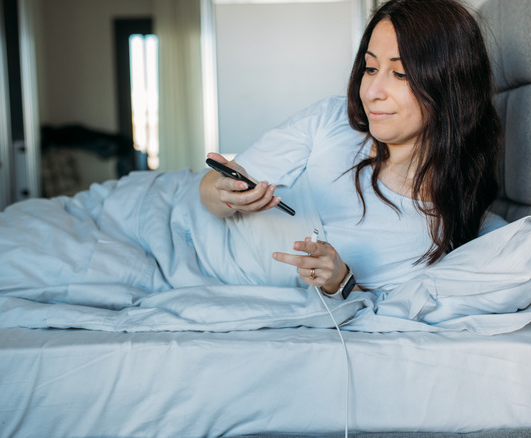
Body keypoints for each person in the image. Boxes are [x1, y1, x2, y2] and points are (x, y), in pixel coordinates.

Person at [199, 0, 503, 298]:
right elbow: (208, 190)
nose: (371, 92)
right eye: (370, 68)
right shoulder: (331, 119)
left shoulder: (437, 231)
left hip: (209, 274)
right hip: (177, 223)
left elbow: (372, 309)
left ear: (451, 85)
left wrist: (340, 281)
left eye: (399, 74)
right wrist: (225, 192)